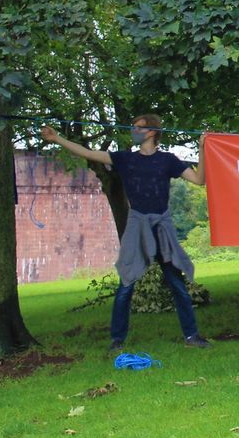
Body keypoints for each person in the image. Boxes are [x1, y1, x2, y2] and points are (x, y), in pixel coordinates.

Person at [41, 115, 210, 350]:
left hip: (162, 229)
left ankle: (192, 336)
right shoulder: (126, 158)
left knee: (177, 285)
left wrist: (202, 148)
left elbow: (200, 180)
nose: (133, 131)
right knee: (126, 287)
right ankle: (117, 341)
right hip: (137, 228)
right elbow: (88, 153)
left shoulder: (168, 160)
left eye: (138, 128)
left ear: (152, 132)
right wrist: (57, 138)